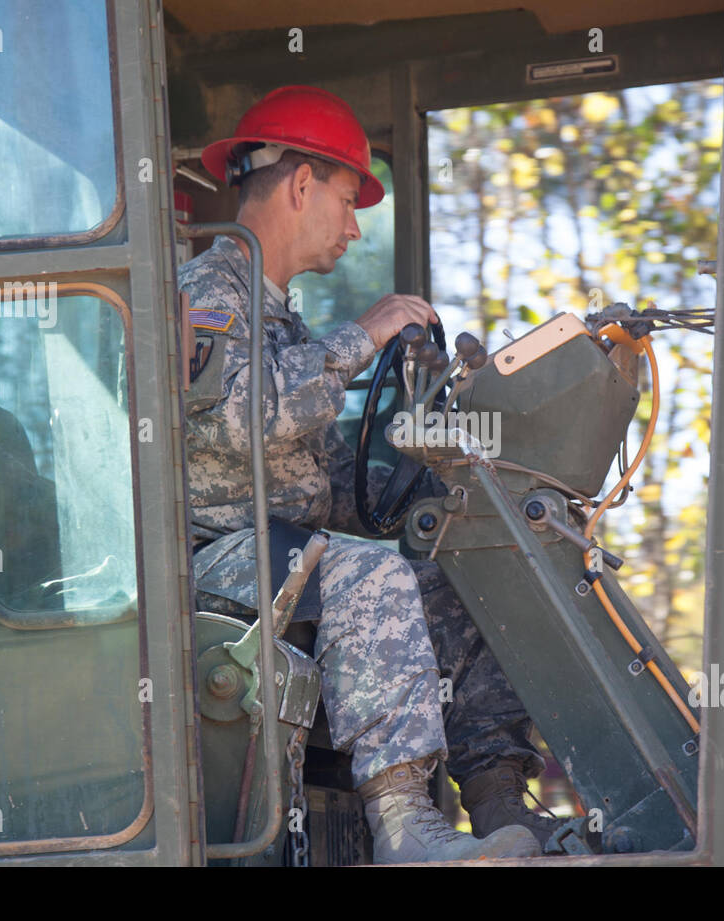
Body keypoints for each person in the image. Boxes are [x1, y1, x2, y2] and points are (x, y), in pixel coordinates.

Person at [180, 85, 559, 863]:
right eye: (348, 201)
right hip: (212, 558)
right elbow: (233, 418)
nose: (355, 228)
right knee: (365, 579)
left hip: (282, 550)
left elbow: (307, 475)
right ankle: (401, 826)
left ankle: (494, 803)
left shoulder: (281, 315)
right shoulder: (206, 296)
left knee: (458, 575)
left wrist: (427, 484)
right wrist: (363, 335)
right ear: (297, 184)